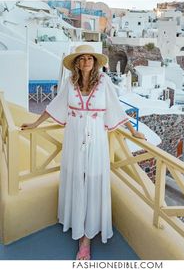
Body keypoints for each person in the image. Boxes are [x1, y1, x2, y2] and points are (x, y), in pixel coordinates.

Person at [21, 44, 145, 260]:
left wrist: (133, 131)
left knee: (94, 179)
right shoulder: (70, 82)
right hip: (74, 137)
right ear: (77, 63)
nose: (86, 61)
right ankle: (80, 232)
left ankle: (89, 232)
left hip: (96, 139)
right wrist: (35, 124)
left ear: (95, 62)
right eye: (82, 58)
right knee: (76, 178)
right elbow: (55, 104)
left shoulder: (104, 81)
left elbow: (116, 106)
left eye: (90, 58)